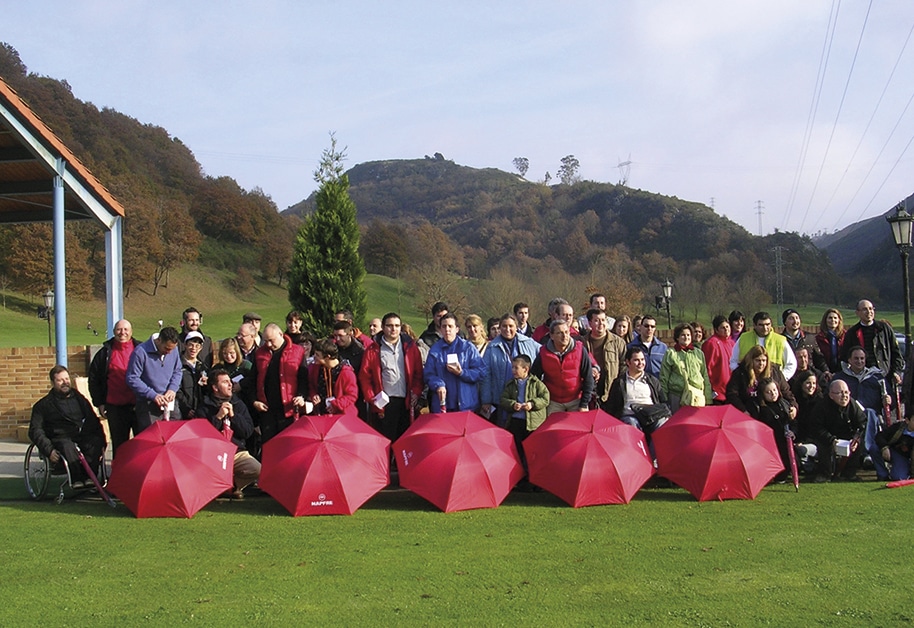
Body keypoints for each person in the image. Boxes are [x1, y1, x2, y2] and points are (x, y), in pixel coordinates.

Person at [29, 365, 106, 489]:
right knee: (67, 446)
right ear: (52, 383)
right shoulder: (42, 405)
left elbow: (94, 421)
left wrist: (102, 441)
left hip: (82, 436)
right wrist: (48, 450)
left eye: (66, 379)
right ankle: (77, 479)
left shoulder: (80, 400)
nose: (65, 382)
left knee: (95, 442)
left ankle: (90, 477)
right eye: (60, 380)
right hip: (60, 439)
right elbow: (35, 430)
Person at [359, 312, 424, 443]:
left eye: (397, 325)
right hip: (384, 403)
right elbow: (365, 377)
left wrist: (416, 393)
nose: (394, 329)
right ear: (383, 327)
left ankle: (401, 464)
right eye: (389, 325)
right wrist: (372, 398)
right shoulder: (373, 349)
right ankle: (387, 463)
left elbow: (418, 374)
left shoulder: (410, 347)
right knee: (386, 440)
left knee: (405, 440)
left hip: (406, 401)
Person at [197, 368, 261, 499]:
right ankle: (217, 488)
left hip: (237, 452)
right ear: (215, 387)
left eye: (230, 381)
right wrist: (218, 418)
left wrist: (233, 416)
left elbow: (247, 432)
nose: (230, 384)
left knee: (257, 469)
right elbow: (202, 437)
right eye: (225, 382)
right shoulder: (204, 407)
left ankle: (233, 486)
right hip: (213, 454)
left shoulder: (239, 404)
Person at [833, 345, 892, 480]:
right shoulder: (840, 377)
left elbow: (891, 401)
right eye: (856, 359)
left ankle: (867, 453)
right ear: (849, 360)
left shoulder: (876, 377)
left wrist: (889, 400)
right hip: (847, 416)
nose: (859, 361)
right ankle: (866, 453)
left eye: (862, 359)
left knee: (869, 414)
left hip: (873, 418)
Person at [87, 318, 139, 456]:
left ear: (131, 331)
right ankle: (119, 475)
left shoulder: (140, 349)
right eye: (119, 330)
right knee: (120, 445)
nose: (122, 333)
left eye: (126, 329)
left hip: (138, 406)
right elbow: (94, 379)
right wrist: (100, 403)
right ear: (113, 331)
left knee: (142, 443)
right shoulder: (104, 353)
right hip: (115, 407)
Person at [481, 313, 541, 426]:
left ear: (516, 327)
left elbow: (544, 355)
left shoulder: (529, 343)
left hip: (525, 399)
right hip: (502, 399)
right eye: (504, 326)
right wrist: (486, 400)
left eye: (511, 326)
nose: (507, 329)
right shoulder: (492, 347)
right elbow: (486, 375)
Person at [251, 323, 308, 442]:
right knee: (269, 445)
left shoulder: (297, 351)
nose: (269, 344)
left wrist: (301, 396)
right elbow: (252, 378)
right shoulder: (260, 353)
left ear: (281, 334)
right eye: (266, 341)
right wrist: (254, 401)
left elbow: (303, 378)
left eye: (271, 340)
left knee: (289, 444)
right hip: (267, 410)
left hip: (288, 409)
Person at [424, 313, 488, 413]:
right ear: (440, 329)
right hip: (443, 406)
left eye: (450, 326)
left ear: (457, 329)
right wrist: (438, 384)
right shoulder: (435, 350)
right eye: (444, 326)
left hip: (466, 405)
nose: (447, 329)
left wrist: (462, 373)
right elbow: (428, 374)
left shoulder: (468, 348)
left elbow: (481, 372)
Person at [532, 320, 595, 415]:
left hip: (576, 400)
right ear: (552, 336)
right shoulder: (543, 353)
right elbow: (534, 378)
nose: (564, 336)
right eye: (559, 333)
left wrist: (584, 404)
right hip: (553, 402)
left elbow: (588, 378)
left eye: (566, 332)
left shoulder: (580, 350)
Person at [126, 326, 184, 431]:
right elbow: (132, 378)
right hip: (148, 405)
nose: (169, 352)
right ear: (159, 340)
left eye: (172, 349)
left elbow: (177, 370)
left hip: (170, 403)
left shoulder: (173, 350)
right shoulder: (140, 352)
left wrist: (172, 389)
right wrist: (153, 395)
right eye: (166, 348)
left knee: (175, 436)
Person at [499, 354, 550, 471]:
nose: (513, 370)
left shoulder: (537, 384)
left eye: (516, 368)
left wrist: (532, 404)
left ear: (525, 369)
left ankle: (531, 478)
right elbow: (503, 399)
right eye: (512, 367)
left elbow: (545, 398)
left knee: (532, 452)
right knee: (517, 450)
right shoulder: (510, 384)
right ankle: (519, 475)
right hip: (516, 422)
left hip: (532, 425)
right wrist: (512, 404)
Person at [811, 379, 867, 482]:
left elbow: (862, 423)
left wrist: (856, 438)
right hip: (827, 435)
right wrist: (831, 439)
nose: (844, 396)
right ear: (831, 395)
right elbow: (816, 427)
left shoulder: (853, 405)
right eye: (840, 393)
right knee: (823, 444)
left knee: (859, 444)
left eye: (846, 392)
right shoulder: (821, 406)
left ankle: (849, 474)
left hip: (847, 435)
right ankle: (824, 474)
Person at [841, 300, 904, 386]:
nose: (869, 312)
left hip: (885, 377)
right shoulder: (852, 333)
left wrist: (896, 372)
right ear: (857, 313)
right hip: (862, 380)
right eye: (864, 309)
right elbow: (845, 356)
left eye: (871, 309)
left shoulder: (884, 329)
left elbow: (896, 354)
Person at [605, 346, 667, 431]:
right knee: (632, 423)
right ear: (628, 362)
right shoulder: (620, 383)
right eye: (636, 360)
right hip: (631, 416)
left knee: (662, 423)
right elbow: (611, 405)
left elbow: (662, 401)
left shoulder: (652, 381)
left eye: (642, 359)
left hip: (650, 415)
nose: (640, 363)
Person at [726, 345, 796, 419]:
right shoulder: (740, 373)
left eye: (764, 360)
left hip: (772, 414)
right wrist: (743, 410)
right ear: (751, 360)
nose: (761, 364)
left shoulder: (774, 372)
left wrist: (793, 405)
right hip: (748, 413)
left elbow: (786, 391)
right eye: (758, 360)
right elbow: (732, 394)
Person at [659, 323, 712, 412]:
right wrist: (664, 397)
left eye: (688, 335)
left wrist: (708, 398)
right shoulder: (670, 353)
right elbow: (664, 376)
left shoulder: (699, 353)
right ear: (677, 337)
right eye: (683, 335)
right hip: (676, 395)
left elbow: (704, 376)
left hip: (696, 395)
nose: (686, 337)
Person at [730, 311, 797, 380]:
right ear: (754, 325)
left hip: (772, 385)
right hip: (747, 384)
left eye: (767, 324)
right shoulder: (743, 338)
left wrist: (780, 379)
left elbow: (791, 364)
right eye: (761, 325)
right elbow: (733, 361)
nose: (765, 328)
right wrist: (740, 376)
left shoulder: (780, 340)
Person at [582, 308, 627, 410]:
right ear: (590, 323)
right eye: (597, 320)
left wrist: (618, 387)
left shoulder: (618, 342)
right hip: (590, 392)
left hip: (611, 393)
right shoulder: (582, 343)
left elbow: (623, 366)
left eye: (603, 320)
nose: (601, 323)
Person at [307, 338, 359, 416]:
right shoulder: (316, 369)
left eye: (317, 355)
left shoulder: (346, 373)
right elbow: (311, 385)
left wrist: (335, 404)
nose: (314, 357)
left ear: (327, 357)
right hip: (321, 414)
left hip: (342, 415)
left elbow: (351, 396)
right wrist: (314, 395)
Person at [756, 378, 795, 479]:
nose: (773, 394)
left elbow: (793, 423)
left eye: (774, 390)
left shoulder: (784, 404)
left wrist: (793, 432)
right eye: (768, 392)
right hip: (770, 442)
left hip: (785, 440)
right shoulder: (761, 409)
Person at [792, 369, 824, 474]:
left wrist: (805, 442)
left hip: (816, 442)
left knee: (801, 450)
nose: (811, 386)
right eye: (808, 383)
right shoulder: (795, 401)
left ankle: (811, 469)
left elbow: (818, 428)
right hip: (799, 439)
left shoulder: (820, 402)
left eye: (814, 383)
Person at [781, 309, 827, 374]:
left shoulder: (810, 338)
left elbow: (819, 358)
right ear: (785, 322)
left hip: (809, 375)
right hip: (789, 376)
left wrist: (826, 371)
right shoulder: (780, 340)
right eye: (791, 318)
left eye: (797, 318)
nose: (795, 321)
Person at [175, 331, 209, 419]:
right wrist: (186, 409)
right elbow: (176, 389)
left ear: (201, 348)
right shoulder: (178, 365)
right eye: (191, 344)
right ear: (185, 345)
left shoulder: (202, 367)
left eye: (197, 346)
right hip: (182, 412)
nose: (194, 348)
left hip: (199, 412)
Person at [702, 315, 735, 404]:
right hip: (718, 392)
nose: (726, 329)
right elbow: (707, 367)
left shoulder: (732, 343)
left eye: (727, 327)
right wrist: (711, 387)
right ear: (716, 330)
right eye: (722, 328)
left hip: (731, 390)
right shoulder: (711, 344)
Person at [874, 413, 914, 481]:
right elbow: (880, 436)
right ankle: (883, 475)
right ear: (907, 420)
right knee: (874, 448)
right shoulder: (898, 427)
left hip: (904, 457)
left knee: (899, 478)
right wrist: (884, 447)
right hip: (891, 450)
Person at [815, 308, 846, 374]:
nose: (833, 320)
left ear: (839, 320)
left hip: (842, 370)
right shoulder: (819, 338)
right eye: (830, 318)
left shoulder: (846, 336)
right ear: (825, 320)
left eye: (835, 318)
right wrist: (826, 371)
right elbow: (819, 357)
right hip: (824, 371)